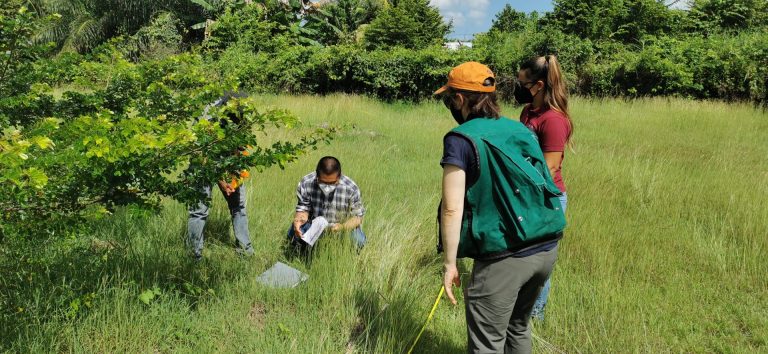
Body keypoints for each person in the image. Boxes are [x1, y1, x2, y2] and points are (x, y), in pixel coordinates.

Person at [436, 62, 565, 353]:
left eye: (449, 97)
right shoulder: (517, 129)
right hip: (546, 245)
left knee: (487, 343)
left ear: (458, 99)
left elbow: (452, 208)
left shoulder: (460, 139)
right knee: (518, 327)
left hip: (505, 256)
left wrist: (449, 264)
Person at [515, 55, 573, 321]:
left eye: (523, 83)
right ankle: (521, 308)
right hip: (525, 194)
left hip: (547, 198)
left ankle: (535, 315)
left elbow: (549, 168)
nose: (519, 87)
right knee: (521, 258)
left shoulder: (554, 120)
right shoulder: (528, 112)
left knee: (539, 264)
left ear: (538, 85)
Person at [187, 93, 254, 261]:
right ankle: (194, 257)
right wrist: (221, 180)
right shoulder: (208, 119)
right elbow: (203, 156)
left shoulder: (242, 114)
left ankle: (246, 253)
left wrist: (234, 175)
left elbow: (240, 147)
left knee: (238, 207)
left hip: (226, 158)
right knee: (198, 211)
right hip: (202, 161)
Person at [288, 156, 366, 250]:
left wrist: (342, 227)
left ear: (339, 176)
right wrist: (299, 220)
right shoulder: (306, 183)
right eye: (323, 182)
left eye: (332, 183)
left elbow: (358, 217)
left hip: (340, 228)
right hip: (313, 225)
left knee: (359, 240)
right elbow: (303, 208)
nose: (327, 187)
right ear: (317, 176)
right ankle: (301, 249)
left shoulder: (351, 188)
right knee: (294, 232)